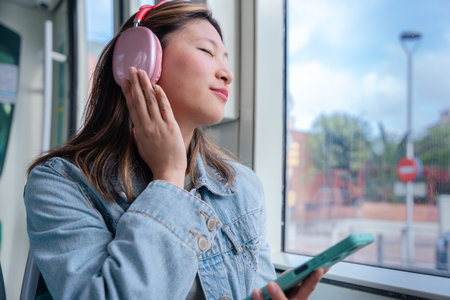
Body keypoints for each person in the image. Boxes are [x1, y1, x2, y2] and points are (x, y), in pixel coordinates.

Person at [24, 1, 325, 299]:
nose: (227, 74)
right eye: (207, 51)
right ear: (141, 60)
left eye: (226, 59)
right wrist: (168, 177)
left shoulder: (243, 187)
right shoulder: (60, 184)